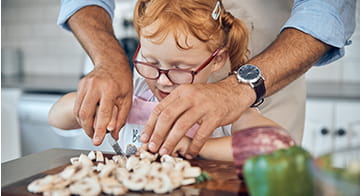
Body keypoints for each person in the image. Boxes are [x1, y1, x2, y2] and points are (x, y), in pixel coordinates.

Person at [57, 0, 356, 159]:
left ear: (218, 60)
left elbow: (279, 145)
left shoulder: (224, 109)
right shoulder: (137, 91)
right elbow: (56, 117)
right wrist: (93, 105)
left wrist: (195, 146)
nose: (162, 81)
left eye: (178, 68)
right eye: (150, 62)